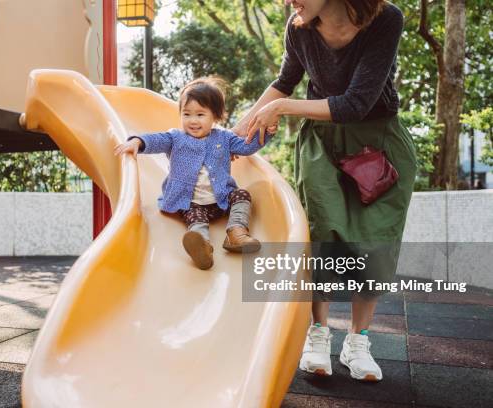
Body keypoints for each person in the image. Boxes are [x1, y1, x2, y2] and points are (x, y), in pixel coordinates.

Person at [232, 0, 417, 382]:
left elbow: (356, 102)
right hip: (322, 145)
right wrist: (236, 132)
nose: (287, 0)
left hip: (377, 142)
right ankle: (318, 334)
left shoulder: (385, 20)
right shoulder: (298, 28)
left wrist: (283, 108)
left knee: (374, 242)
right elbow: (284, 81)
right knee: (321, 235)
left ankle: (358, 340)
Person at [114, 77, 275, 270]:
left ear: (215, 116)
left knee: (242, 195)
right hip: (190, 202)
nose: (192, 120)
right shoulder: (176, 137)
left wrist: (265, 133)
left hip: (221, 199)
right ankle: (203, 248)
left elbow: (246, 147)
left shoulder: (224, 137)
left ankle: (236, 232)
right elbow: (156, 140)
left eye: (200, 114)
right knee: (196, 219)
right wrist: (137, 142)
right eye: (187, 114)